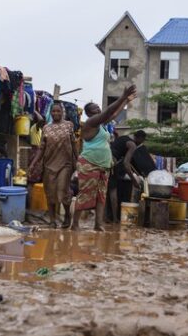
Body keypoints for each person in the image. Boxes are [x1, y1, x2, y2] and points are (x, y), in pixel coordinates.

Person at [71, 85, 137, 231]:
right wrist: (122, 96)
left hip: (104, 166)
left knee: (101, 196)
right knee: (85, 195)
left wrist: (126, 101)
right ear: (89, 113)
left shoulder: (100, 126)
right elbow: (108, 111)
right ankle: (75, 224)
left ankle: (98, 224)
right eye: (95, 108)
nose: (98, 109)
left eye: (98, 108)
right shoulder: (90, 123)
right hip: (89, 163)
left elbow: (112, 115)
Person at [28, 102, 77, 228]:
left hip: (65, 164)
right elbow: (41, 148)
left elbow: (74, 145)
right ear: (50, 112)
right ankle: (52, 220)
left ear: (62, 112)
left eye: (58, 111)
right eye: (53, 111)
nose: (56, 113)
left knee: (62, 191)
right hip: (49, 164)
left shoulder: (69, 126)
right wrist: (33, 164)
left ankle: (67, 215)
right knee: (50, 194)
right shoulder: (46, 128)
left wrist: (77, 162)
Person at [108, 130, 147, 223]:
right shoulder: (132, 145)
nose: (141, 143)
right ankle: (115, 218)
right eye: (142, 140)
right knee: (113, 191)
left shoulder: (123, 138)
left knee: (107, 191)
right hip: (110, 162)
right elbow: (126, 164)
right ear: (140, 138)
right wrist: (134, 181)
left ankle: (106, 217)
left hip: (104, 158)